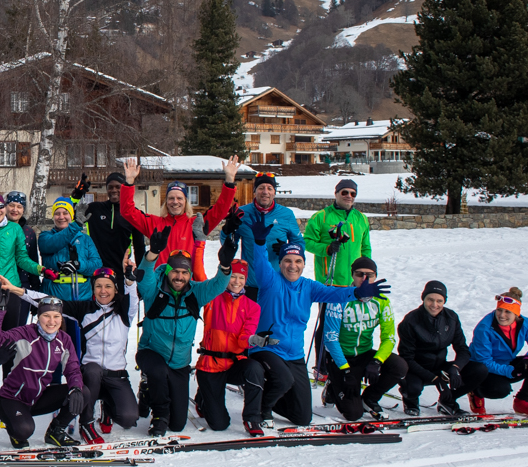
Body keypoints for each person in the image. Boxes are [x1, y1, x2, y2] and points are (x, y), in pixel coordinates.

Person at [246, 218, 387, 428]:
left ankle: (270, 399)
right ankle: (262, 409)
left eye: (298, 261)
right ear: (281, 262)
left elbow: (334, 293)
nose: (292, 266)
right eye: (287, 261)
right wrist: (258, 242)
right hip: (267, 348)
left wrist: (356, 292)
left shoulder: (309, 287)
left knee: (303, 417)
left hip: (294, 354)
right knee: (284, 379)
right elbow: (260, 261)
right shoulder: (270, 280)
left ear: (303, 264)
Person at [0, 263, 140, 444]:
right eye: (98, 286)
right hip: (91, 373)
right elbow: (49, 302)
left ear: (115, 289)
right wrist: (18, 290)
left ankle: (107, 408)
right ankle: (86, 423)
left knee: (128, 418)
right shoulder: (85, 310)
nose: (103, 291)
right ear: (93, 288)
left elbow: (132, 298)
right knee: (91, 375)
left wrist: (130, 282)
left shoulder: (124, 313)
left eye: (108, 286)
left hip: (116, 374)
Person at [136, 227, 237, 437]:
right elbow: (143, 276)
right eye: (175, 271)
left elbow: (218, 285)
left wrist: (225, 265)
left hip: (180, 363)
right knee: (158, 372)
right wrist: (152, 253)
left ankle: (149, 391)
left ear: (189, 274)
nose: (179, 276)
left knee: (178, 424)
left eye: (184, 272)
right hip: (151, 353)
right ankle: (159, 415)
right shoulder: (154, 290)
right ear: (167, 271)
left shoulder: (195, 293)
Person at [0, 289, 84, 448]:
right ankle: (15, 428)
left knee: (82, 392)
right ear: (39, 316)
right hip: (12, 398)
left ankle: (55, 432)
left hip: (38, 397)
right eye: (46, 316)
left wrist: (76, 388)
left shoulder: (64, 339)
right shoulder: (25, 333)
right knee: (24, 431)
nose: (51, 321)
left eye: (56, 316)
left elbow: (72, 369)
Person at [119, 155, 240, 281]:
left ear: (186, 201)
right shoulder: (154, 222)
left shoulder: (196, 225)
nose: (175, 202)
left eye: (179, 198)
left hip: (188, 285)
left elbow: (220, 210)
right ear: (166, 202)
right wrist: (129, 182)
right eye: (171, 198)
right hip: (161, 285)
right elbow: (127, 211)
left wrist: (229, 181)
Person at [320, 257, 407, 421]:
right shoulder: (339, 299)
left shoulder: (381, 301)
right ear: (352, 275)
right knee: (353, 414)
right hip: (340, 359)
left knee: (399, 366)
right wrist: (345, 369)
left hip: (364, 353)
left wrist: (377, 361)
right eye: (359, 274)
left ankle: (370, 398)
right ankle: (333, 386)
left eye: (370, 274)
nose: (365, 279)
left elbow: (389, 337)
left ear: (376, 276)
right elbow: (331, 339)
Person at [0, 193, 50, 362]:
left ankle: (10, 384)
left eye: (0, 206)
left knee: (11, 339)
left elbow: (22, 258)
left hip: (10, 289)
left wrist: (40, 269)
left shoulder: (14, 229)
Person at [302, 178, 372, 377]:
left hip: (354, 283)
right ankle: (322, 366)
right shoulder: (322, 216)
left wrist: (367, 272)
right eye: (345, 193)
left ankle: (343, 364)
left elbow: (365, 246)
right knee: (326, 325)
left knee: (349, 325)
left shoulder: (361, 218)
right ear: (336, 194)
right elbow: (306, 241)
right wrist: (325, 248)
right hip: (330, 281)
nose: (349, 196)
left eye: (352, 193)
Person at [193, 259, 264, 434]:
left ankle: (252, 418)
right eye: (233, 276)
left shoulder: (252, 307)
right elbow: (199, 273)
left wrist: (252, 340)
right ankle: (203, 398)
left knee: (254, 368)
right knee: (219, 424)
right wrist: (200, 242)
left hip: (233, 365)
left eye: (241, 277)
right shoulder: (212, 297)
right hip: (210, 366)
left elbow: (242, 340)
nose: (237, 282)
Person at [466, 288, 528, 417]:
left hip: (505, 363)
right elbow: (484, 360)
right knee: (500, 390)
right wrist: (510, 371)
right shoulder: (484, 328)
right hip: (482, 369)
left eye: (507, 312)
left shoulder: (525, 323)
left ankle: (522, 401)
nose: (501, 315)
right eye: (499, 310)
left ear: (516, 314)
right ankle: (475, 391)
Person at [396, 281, 473, 417]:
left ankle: (448, 401)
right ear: (423, 298)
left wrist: (455, 368)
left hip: (440, 365)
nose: (434, 305)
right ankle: (410, 400)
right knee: (413, 387)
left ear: (444, 301)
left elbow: (462, 349)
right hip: (416, 368)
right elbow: (406, 357)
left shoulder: (451, 318)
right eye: (430, 299)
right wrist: (435, 379)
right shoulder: (411, 320)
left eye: (439, 301)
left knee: (478, 370)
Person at [235, 172, 303, 302]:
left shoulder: (286, 214)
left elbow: (299, 242)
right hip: (250, 283)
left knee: (275, 322)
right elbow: (228, 243)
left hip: (278, 281)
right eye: (261, 188)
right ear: (254, 191)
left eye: (269, 188)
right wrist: (227, 231)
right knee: (251, 322)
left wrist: (287, 249)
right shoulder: (243, 213)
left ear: (274, 192)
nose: (265, 192)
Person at [68, 172, 147, 274]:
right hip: (95, 269)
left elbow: (139, 247)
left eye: (118, 187)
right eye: (110, 187)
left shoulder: (133, 214)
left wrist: (142, 273)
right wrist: (76, 195)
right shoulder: (95, 209)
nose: (114, 190)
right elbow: (68, 213)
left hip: (120, 271)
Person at [37, 197, 103, 301]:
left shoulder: (85, 239)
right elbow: (53, 244)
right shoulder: (45, 236)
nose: (61, 217)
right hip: (53, 299)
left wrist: (78, 264)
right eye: (57, 213)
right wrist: (76, 226)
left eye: (65, 213)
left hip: (83, 299)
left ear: (72, 216)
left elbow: (97, 265)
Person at [4, 191, 40, 325]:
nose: (15, 209)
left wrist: (35, 291)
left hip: (22, 286)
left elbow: (33, 261)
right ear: (5, 206)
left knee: (18, 330)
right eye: (11, 205)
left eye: (19, 206)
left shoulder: (29, 232)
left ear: (24, 210)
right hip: (1, 284)